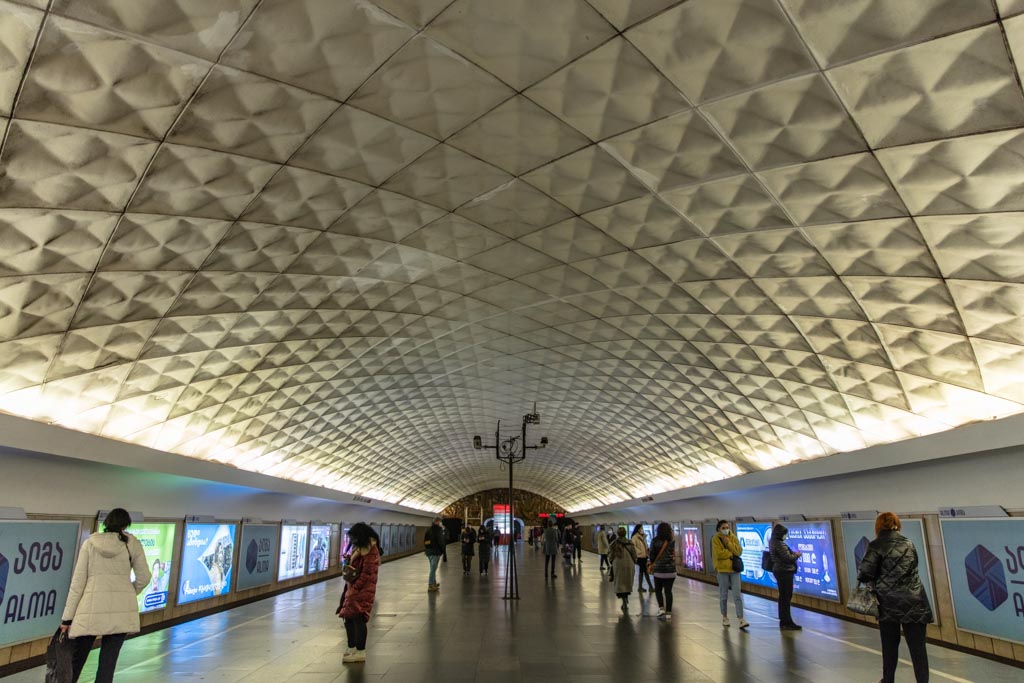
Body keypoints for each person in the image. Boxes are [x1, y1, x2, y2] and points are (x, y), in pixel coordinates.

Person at [60, 508, 152, 683]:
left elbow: (77, 584)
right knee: (107, 665)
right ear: (126, 524)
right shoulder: (132, 544)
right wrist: (129, 591)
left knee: (76, 660)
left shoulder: (90, 543)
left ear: (106, 523)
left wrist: (67, 619)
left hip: (91, 609)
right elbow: (144, 577)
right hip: (121, 611)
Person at [858, 512, 933, 683]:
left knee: (890, 646)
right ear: (897, 524)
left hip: (888, 602)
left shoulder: (876, 545)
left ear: (878, 526)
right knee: (918, 648)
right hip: (915, 600)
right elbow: (914, 565)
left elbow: (864, 573)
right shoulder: (909, 543)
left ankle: (888, 679)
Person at [336, 522, 380, 663]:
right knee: (348, 618)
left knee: (359, 619)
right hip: (353, 588)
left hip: (363, 591)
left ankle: (360, 651)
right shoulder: (359, 548)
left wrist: (355, 589)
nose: (352, 540)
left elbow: (367, 574)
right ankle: (352, 647)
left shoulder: (370, 551)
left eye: (353, 537)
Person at [712, 520, 749, 629]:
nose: (726, 529)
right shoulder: (715, 539)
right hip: (722, 570)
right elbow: (718, 554)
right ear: (718, 529)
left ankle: (741, 619)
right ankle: (725, 617)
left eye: (727, 527)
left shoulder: (733, 537)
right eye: (723, 527)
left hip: (734, 570)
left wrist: (728, 544)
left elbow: (739, 551)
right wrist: (730, 553)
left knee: (737, 595)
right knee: (723, 594)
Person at [769, 524, 802, 630]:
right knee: (786, 598)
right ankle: (787, 621)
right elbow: (788, 558)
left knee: (783, 597)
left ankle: (784, 621)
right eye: (785, 534)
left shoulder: (773, 542)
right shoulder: (779, 544)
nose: (786, 536)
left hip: (779, 571)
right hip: (785, 572)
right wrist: (796, 555)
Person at [649, 522, 676, 621]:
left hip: (659, 570)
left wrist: (652, 563)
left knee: (658, 590)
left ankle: (661, 608)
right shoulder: (671, 540)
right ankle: (669, 612)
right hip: (670, 570)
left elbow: (652, 554)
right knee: (668, 591)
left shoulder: (655, 541)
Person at [609, 527, 637, 612]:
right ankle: (626, 598)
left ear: (618, 534)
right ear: (625, 533)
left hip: (618, 565)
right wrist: (634, 561)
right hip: (629, 564)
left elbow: (610, 554)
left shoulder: (614, 543)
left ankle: (624, 600)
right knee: (627, 583)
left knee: (620, 584)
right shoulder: (630, 543)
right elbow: (634, 554)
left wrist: (611, 562)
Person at [631, 525, 654, 593]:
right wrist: (640, 552)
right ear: (638, 529)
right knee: (644, 571)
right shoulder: (635, 537)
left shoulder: (643, 537)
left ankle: (642, 587)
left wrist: (647, 551)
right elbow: (633, 546)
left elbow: (645, 545)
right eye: (641, 528)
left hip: (644, 556)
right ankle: (649, 587)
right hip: (640, 557)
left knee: (643, 571)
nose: (642, 529)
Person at [424, 517, 445, 591]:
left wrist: (428, 548)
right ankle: (430, 585)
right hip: (435, 552)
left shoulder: (428, 530)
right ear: (437, 522)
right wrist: (442, 550)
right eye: (440, 522)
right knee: (433, 569)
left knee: (433, 568)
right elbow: (441, 541)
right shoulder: (438, 530)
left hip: (429, 552)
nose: (440, 523)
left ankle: (434, 583)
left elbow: (425, 541)